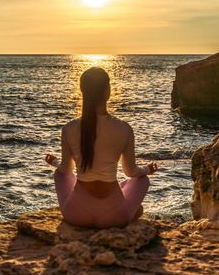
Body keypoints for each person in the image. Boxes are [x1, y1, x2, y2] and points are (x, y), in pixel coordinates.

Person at [45, 67, 158, 228]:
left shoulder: (69, 128)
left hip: (76, 214)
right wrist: (147, 170)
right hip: (115, 217)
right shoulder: (124, 128)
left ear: (83, 91)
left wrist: (55, 162)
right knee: (141, 180)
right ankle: (131, 212)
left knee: (60, 174)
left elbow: (66, 168)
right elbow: (130, 172)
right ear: (108, 91)